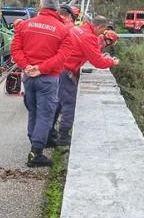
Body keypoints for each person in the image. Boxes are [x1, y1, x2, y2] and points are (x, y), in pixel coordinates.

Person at [10, 0, 74, 167]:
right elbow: (63, 56)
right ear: (57, 8)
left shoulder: (25, 25)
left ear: (40, 6)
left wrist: (27, 66)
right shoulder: (63, 30)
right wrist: (41, 69)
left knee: (33, 111)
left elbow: (15, 49)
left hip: (28, 77)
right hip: (48, 78)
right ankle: (36, 153)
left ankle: (35, 142)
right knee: (45, 114)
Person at [51, 16, 119, 147]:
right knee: (70, 103)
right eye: (103, 30)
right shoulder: (89, 37)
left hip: (60, 67)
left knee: (58, 102)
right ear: (99, 27)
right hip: (66, 70)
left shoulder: (80, 29)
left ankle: (50, 132)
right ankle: (63, 135)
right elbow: (98, 62)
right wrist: (112, 62)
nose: (102, 33)